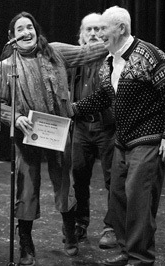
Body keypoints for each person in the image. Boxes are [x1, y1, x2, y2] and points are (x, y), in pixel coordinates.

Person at [0, 11, 107, 264]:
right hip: (27, 134)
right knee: (27, 185)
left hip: (58, 130)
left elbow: (89, 53)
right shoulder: (6, 66)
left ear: (36, 30)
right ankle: (25, 243)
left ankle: (69, 232)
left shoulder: (55, 52)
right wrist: (15, 118)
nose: (25, 32)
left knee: (64, 183)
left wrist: (117, 37)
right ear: (12, 37)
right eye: (19, 29)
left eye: (29, 27)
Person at [72, 6, 165, 266]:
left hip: (149, 139)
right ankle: (126, 249)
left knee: (139, 199)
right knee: (119, 197)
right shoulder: (110, 61)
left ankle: (140, 257)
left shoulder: (148, 54)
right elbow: (104, 97)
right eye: (95, 29)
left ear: (121, 28)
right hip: (123, 140)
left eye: (103, 29)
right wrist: (73, 109)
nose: (98, 34)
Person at [68, 13, 117, 249]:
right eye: (89, 30)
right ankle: (80, 223)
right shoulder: (73, 61)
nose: (94, 34)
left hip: (107, 126)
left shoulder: (113, 59)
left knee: (113, 179)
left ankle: (112, 227)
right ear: (81, 35)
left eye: (99, 29)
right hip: (80, 126)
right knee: (79, 177)